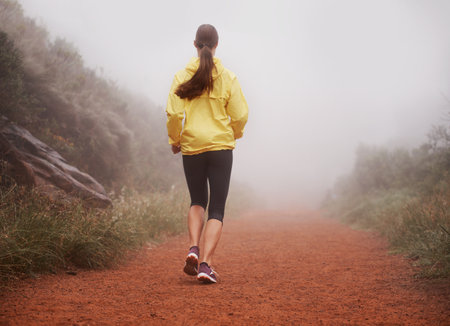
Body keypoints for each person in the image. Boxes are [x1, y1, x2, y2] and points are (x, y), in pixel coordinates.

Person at [166, 24, 248, 284]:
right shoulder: (228, 77)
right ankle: (205, 265)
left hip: (192, 147)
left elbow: (174, 114)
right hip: (221, 147)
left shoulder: (182, 76)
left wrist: (175, 140)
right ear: (216, 45)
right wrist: (234, 133)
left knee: (197, 201)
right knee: (218, 209)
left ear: (194, 44)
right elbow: (241, 115)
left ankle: (193, 247)